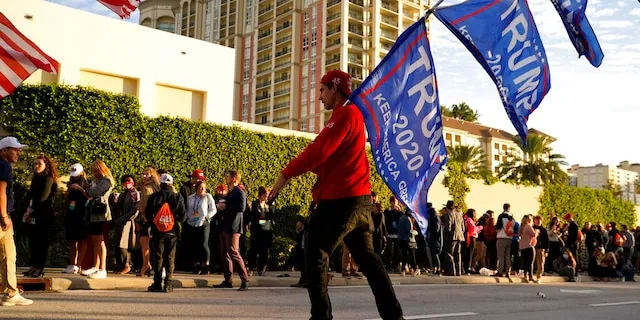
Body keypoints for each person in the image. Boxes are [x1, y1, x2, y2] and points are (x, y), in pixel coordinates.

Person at [268, 70, 403, 320]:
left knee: (315, 250)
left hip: (342, 200)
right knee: (369, 262)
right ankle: (394, 316)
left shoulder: (346, 114)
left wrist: (286, 174)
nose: (319, 96)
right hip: (358, 201)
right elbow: (327, 159)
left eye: (322, 89)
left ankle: (321, 317)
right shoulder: (348, 116)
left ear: (335, 88)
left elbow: (319, 150)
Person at [0, 137, 33, 306]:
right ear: (4, 150)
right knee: (8, 256)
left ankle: (10, 293)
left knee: (9, 256)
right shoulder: (3, 165)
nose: (18, 152)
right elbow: (1, 192)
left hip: (5, 218)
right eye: (15, 149)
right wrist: (4, 216)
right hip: (2, 218)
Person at [146, 173, 186, 292]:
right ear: (171, 184)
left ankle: (157, 283)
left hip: (158, 231)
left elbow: (148, 215)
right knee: (170, 257)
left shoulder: (153, 197)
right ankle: (168, 283)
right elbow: (183, 217)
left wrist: (155, 222)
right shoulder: (177, 197)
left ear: (161, 184)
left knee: (158, 257)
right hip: (172, 231)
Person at [74, 160, 114, 279]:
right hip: (93, 212)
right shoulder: (97, 181)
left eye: (96, 170)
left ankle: (102, 268)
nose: (94, 173)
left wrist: (82, 189)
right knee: (95, 240)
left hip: (101, 212)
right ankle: (96, 266)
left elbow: (95, 193)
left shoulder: (106, 180)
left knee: (100, 241)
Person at [214, 170, 250, 291]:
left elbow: (242, 207)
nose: (226, 178)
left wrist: (226, 206)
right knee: (225, 253)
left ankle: (244, 279)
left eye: (228, 176)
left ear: (234, 178)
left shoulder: (239, 192)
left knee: (234, 252)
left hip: (234, 227)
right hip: (226, 225)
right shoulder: (231, 192)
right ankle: (228, 279)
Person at [23, 153, 58, 278]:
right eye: (35, 164)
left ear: (46, 165)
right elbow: (31, 196)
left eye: (39, 164)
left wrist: (32, 211)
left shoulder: (48, 179)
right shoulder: (35, 178)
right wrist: (28, 210)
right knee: (33, 240)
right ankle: (34, 265)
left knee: (41, 241)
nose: (36, 166)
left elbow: (44, 197)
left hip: (43, 213)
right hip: (33, 212)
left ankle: (40, 266)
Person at [62, 164, 89, 274]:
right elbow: (66, 199)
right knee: (72, 240)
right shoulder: (70, 182)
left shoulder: (87, 183)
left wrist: (80, 189)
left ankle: (79, 264)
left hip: (82, 212)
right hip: (71, 212)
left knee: (82, 239)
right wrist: (68, 191)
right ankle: (73, 263)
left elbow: (89, 197)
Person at [112, 175, 140, 275]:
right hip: (121, 221)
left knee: (124, 243)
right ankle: (122, 265)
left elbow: (136, 209)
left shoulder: (134, 193)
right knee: (120, 243)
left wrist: (126, 218)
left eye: (129, 181)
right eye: (124, 181)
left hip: (128, 221)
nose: (126, 183)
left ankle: (127, 265)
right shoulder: (123, 193)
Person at [136, 166, 160, 277]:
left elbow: (144, 205)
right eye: (143, 174)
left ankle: (145, 265)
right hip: (154, 218)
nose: (144, 176)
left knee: (144, 243)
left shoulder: (146, 188)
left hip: (146, 218)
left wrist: (138, 207)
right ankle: (148, 265)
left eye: (147, 174)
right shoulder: (156, 187)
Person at [248, 186, 274, 276]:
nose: (266, 197)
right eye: (265, 195)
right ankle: (251, 267)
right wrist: (262, 216)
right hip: (256, 230)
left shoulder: (270, 204)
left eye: (268, 195)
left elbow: (271, 214)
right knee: (254, 249)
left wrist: (264, 215)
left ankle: (262, 267)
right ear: (261, 194)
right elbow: (253, 215)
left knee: (265, 250)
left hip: (267, 230)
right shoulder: (254, 203)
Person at [442, 200, 464, 277]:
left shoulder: (448, 214)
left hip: (452, 236)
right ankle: (459, 271)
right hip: (460, 236)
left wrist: (445, 234)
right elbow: (463, 227)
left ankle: (452, 271)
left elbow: (448, 226)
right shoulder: (459, 214)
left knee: (449, 253)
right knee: (458, 254)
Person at [383, 196, 403, 272]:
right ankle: (388, 265)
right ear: (391, 202)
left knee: (397, 251)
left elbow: (403, 219)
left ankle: (395, 266)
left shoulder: (399, 212)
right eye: (393, 201)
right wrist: (385, 232)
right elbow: (384, 221)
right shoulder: (387, 211)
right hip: (389, 233)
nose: (395, 203)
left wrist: (399, 211)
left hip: (397, 233)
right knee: (389, 250)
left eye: (396, 201)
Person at [494, 203, 514, 278]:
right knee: (508, 256)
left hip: (501, 237)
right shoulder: (512, 217)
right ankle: (508, 271)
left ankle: (500, 271)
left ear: (503, 208)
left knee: (500, 255)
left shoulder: (501, 216)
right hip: (509, 238)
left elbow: (498, 227)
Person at [518, 215, 537, 283]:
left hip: (522, 247)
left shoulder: (521, 227)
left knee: (525, 262)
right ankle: (530, 277)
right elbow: (533, 234)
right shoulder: (528, 226)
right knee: (530, 262)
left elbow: (519, 235)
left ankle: (525, 276)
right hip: (529, 246)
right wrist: (537, 232)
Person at [532, 216, 549, 281]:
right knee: (531, 262)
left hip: (541, 248)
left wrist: (546, 250)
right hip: (532, 247)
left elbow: (547, 241)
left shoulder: (543, 230)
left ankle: (539, 276)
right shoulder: (531, 228)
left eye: (539, 220)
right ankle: (530, 275)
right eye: (537, 220)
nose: (538, 221)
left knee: (540, 262)